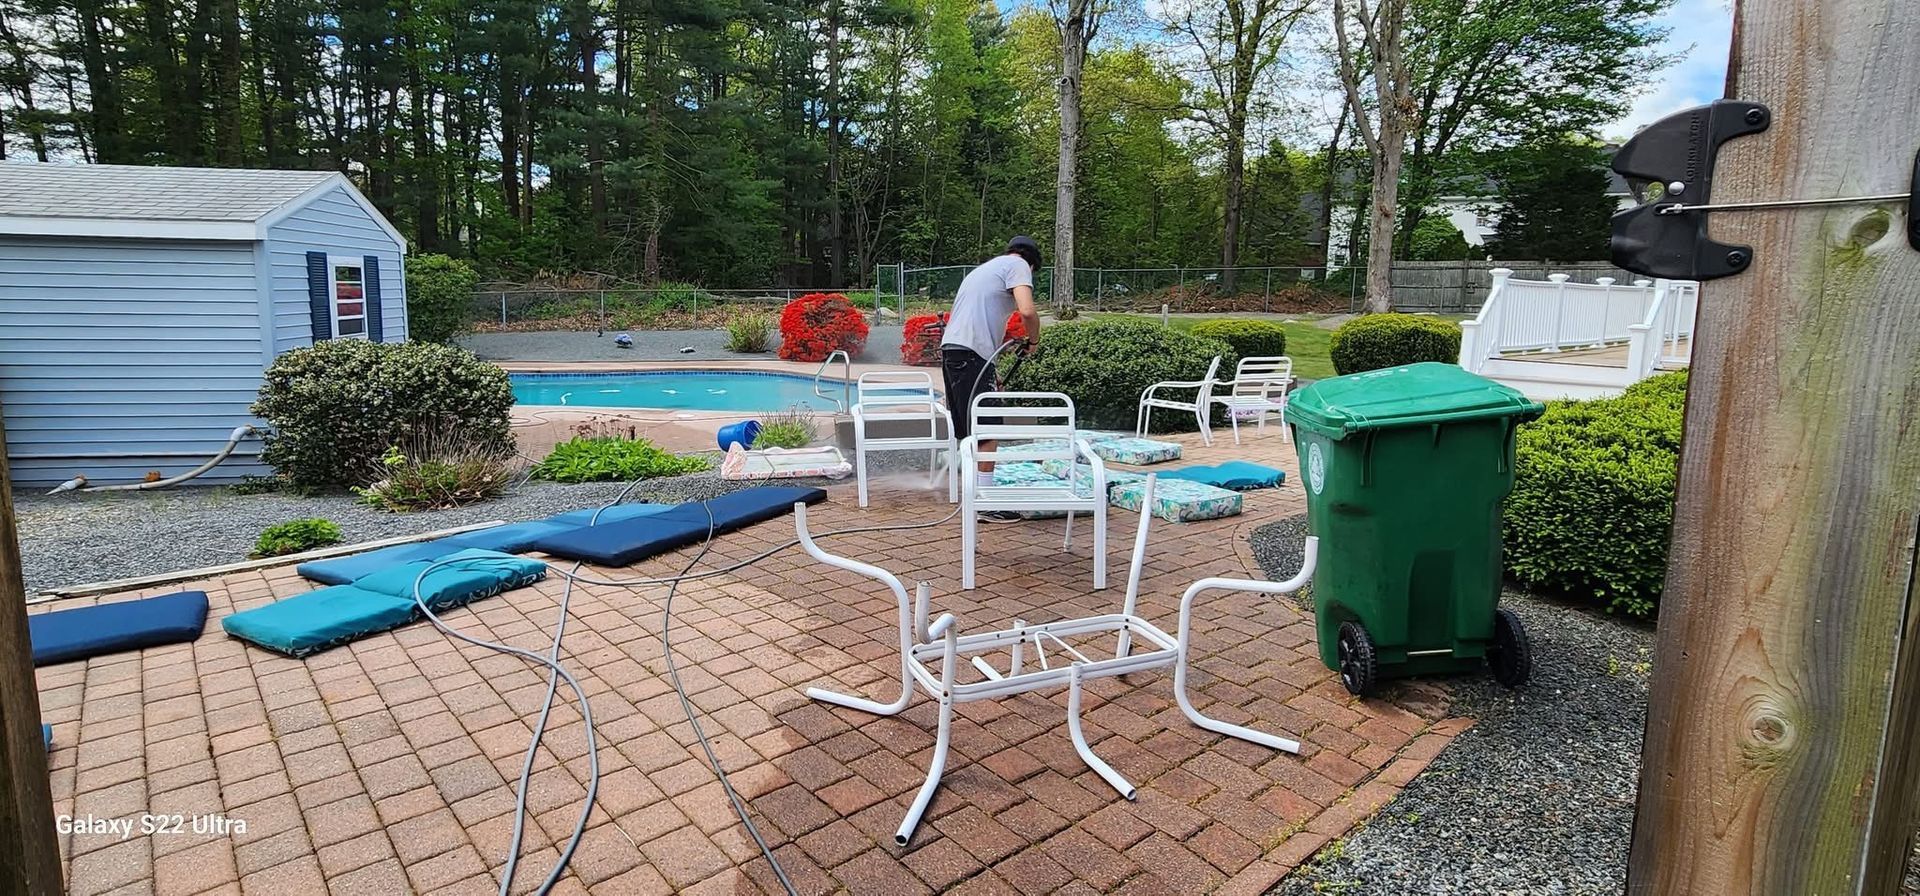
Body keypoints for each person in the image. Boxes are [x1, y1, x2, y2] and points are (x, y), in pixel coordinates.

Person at [941, 236, 1044, 504]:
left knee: (970, 429)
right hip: (970, 353)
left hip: (954, 350)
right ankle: (985, 502)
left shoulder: (987, 268)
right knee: (987, 429)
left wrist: (990, 372)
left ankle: (974, 496)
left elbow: (978, 318)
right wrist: (1033, 341)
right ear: (1032, 265)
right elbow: (1028, 312)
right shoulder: (1019, 265)